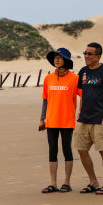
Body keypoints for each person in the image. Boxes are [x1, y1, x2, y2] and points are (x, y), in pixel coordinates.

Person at [74, 42, 103, 195]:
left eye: (90, 54)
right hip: (84, 118)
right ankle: (93, 181)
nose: (86, 56)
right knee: (81, 150)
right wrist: (79, 113)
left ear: (98, 56)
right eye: (85, 53)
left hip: (102, 117)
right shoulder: (83, 71)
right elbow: (83, 94)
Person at [39, 48, 80, 193]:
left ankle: (67, 182)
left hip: (67, 120)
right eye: (55, 57)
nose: (56, 60)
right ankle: (53, 183)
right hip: (51, 121)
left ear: (66, 61)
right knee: (52, 151)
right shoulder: (48, 78)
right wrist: (42, 118)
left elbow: (85, 96)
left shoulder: (74, 78)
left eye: (60, 57)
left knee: (67, 150)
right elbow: (45, 99)